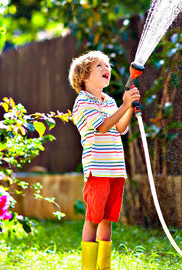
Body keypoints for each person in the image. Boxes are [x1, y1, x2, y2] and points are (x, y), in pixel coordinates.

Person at [69, 50, 140, 270]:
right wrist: (124, 105)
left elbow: (120, 127)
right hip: (98, 170)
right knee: (93, 218)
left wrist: (127, 106)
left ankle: (104, 267)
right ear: (84, 77)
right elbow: (102, 126)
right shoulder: (83, 102)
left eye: (107, 65)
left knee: (107, 219)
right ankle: (89, 268)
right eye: (99, 66)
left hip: (116, 169)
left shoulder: (108, 101)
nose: (106, 68)